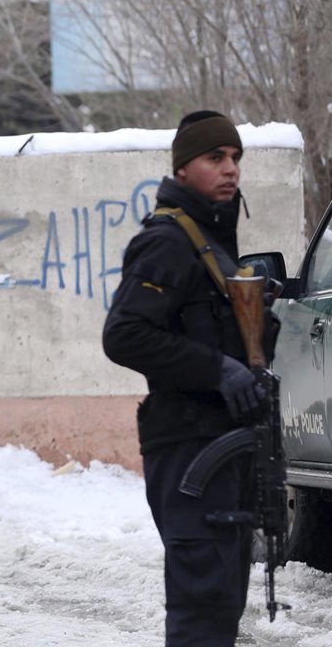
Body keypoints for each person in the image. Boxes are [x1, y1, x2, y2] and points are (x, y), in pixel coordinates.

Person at [103, 110, 272, 645]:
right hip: (189, 454)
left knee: (220, 611)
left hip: (223, 448)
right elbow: (124, 334)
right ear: (183, 167)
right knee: (201, 614)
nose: (230, 170)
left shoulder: (212, 244)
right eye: (215, 158)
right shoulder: (169, 242)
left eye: (236, 159)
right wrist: (217, 369)